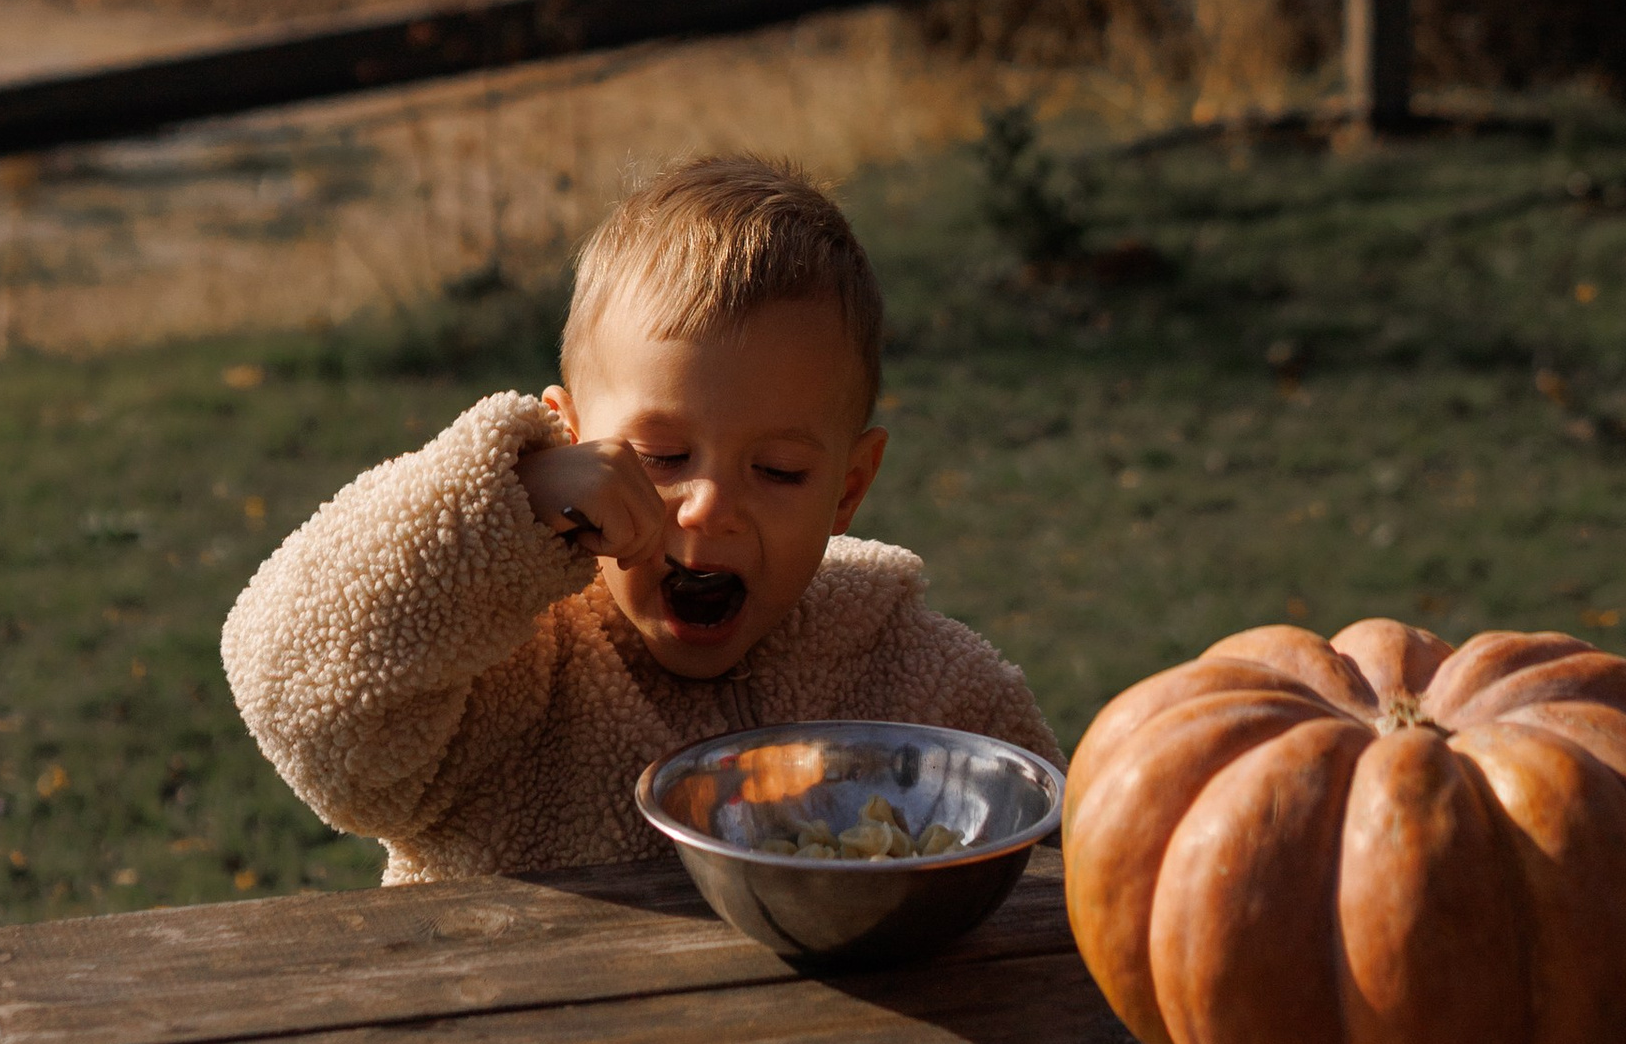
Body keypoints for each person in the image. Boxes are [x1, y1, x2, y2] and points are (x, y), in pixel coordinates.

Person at [223, 152, 1060, 880]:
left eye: (778, 470)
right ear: (572, 443)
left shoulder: (916, 687)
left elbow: (1061, 864)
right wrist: (508, 503)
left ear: (847, 489)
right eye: (661, 458)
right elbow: (298, 692)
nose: (711, 506)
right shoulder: (501, 672)